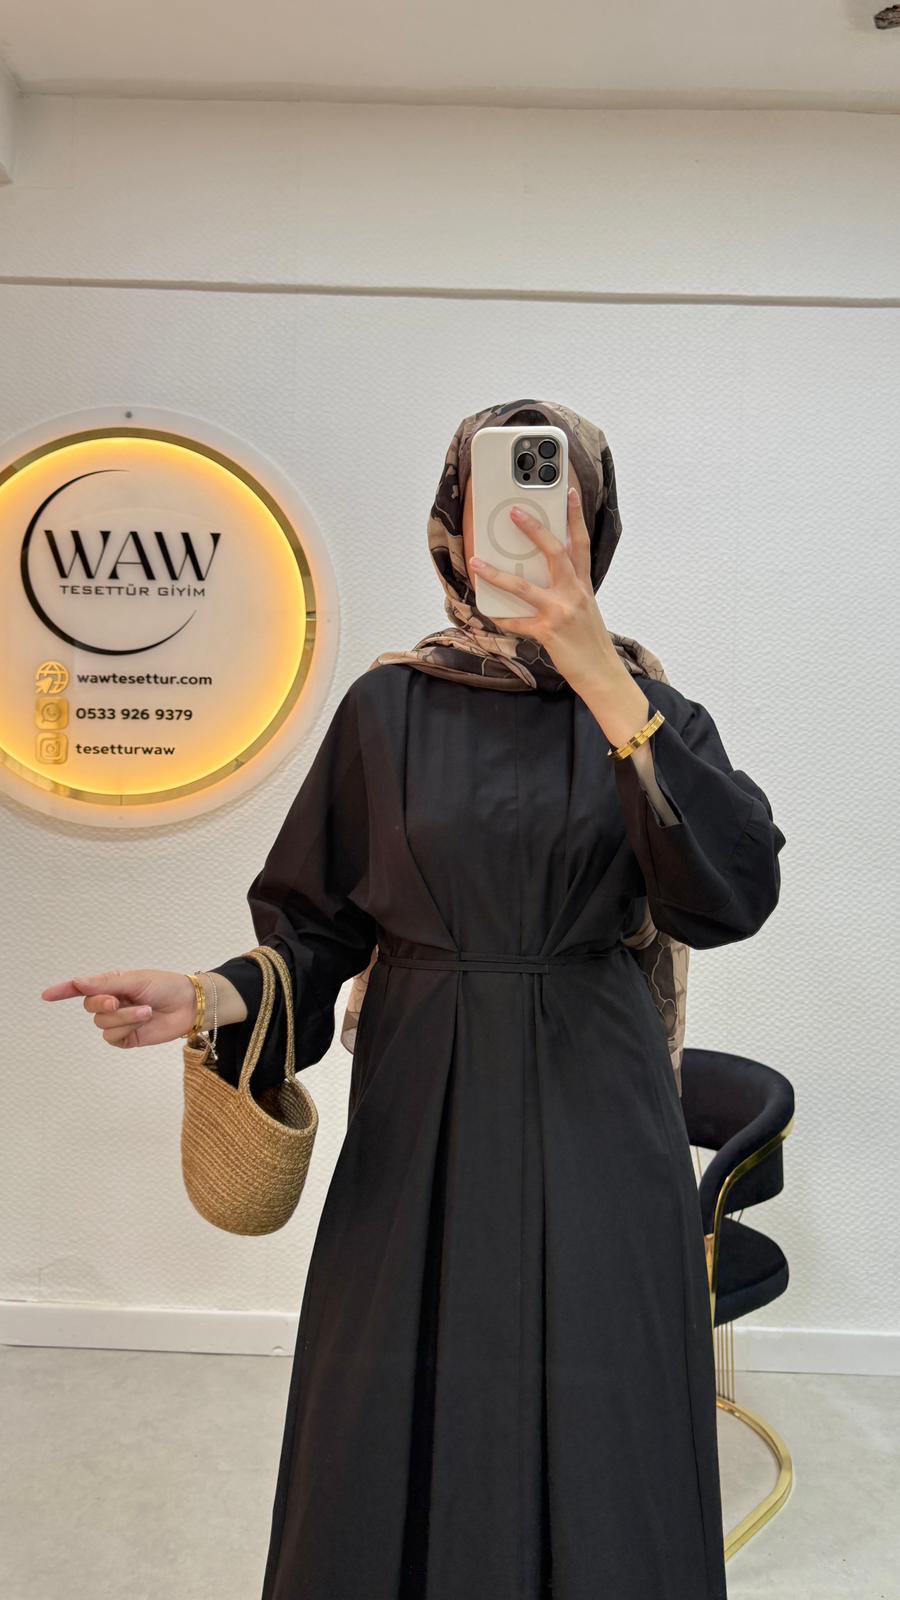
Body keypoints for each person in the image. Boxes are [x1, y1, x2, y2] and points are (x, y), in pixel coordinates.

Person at [41, 398, 786, 1600]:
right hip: (420, 1117)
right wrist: (210, 997)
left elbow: (734, 891)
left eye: (559, 510)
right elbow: (320, 925)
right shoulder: (387, 711)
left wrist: (600, 674)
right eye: (499, 504)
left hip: (600, 1114)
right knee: (391, 1406)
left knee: (605, 1416)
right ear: (452, 521)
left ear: (595, 532)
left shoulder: (653, 710)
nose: (526, 533)